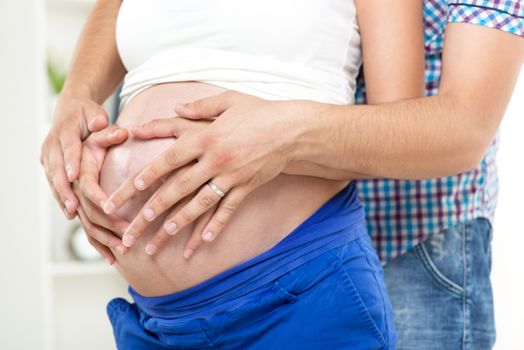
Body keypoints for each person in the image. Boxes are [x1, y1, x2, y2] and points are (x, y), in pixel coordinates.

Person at [41, 0, 428, 349]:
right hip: (159, 320)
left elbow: (406, 137)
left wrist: (270, 144)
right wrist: (75, 97)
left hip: (294, 299)